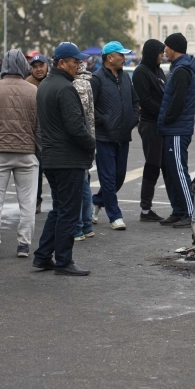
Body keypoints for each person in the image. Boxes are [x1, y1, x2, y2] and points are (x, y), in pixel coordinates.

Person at [33, 42, 95, 276]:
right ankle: (64, 261)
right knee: (69, 211)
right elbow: (76, 128)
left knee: (59, 209)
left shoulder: (46, 85)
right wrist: (91, 145)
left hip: (52, 157)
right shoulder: (65, 89)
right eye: (74, 61)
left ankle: (42, 256)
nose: (78, 65)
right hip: (68, 159)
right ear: (61, 63)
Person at [0, 50, 40, 260]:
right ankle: (23, 245)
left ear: (3, 65)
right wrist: (38, 152)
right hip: (27, 153)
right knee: (28, 202)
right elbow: (39, 128)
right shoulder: (33, 90)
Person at [90, 41, 139, 231]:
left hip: (123, 136)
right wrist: (105, 120)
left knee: (119, 177)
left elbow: (135, 102)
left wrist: (133, 119)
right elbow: (89, 108)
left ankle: (96, 201)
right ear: (110, 57)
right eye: (121, 55)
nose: (124, 58)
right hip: (104, 137)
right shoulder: (97, 79)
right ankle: (115, 215)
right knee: (108, 178)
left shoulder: (126, 77)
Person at [157, 33, 195, 228]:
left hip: (177, 129)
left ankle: (191, 212)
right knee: (170, 171)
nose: (164, 50)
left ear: (173, 48)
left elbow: (178, 100)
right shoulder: (179, 68)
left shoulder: (182, 70)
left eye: (166, 47)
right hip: (172, 128)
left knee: (179, 171)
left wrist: (167, 118)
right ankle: (178, 210)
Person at [131, 39, 169, 222]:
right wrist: (164, 111)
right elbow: (145, 101)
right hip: (150, 124)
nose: (162, 56)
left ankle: (148, 208)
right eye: (160, 53)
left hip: (161, 123)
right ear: (152, 53)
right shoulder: (140, 72)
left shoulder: (158, 70)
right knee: (153, 164)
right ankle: (145, 209)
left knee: (161, 165)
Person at [72, 57, 96, 242]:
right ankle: (86, 225)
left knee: (79, 184)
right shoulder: (87, 81)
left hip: (79, 140)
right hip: (88, 137)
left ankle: (79, 227)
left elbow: (78, 117)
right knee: (84, 183)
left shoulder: (77, 84)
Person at [27, 54, 49, 213]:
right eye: (35, 66)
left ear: (47, 66)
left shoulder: (52, 82)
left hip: (52, 134)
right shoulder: (27, 84)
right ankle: (35, 201)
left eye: (41, 65)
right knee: (36, 172)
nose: (38, 69)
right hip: (33, 137)